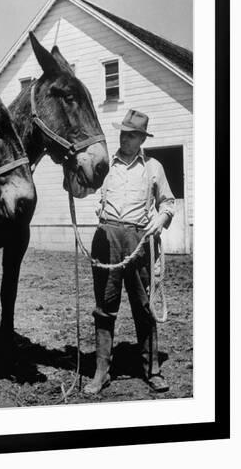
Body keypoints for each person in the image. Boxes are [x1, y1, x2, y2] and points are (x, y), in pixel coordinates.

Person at [85, 109, 175, 395]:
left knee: (143, 306)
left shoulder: (153, 167)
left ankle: (152, 370)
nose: (124, 138)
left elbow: (168, 203)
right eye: (122, 132)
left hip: (139, 240)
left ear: (141, 139)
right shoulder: (105, 165)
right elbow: (80, 185)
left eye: (131, 134)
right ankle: (101, 372)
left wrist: (159, 222)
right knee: (104, 307)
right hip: (107, 237)